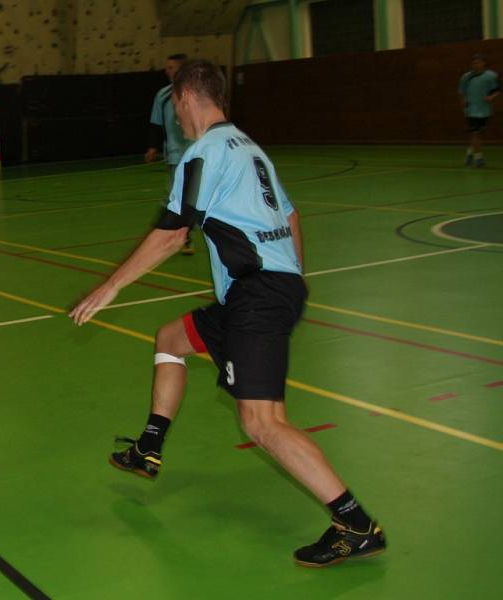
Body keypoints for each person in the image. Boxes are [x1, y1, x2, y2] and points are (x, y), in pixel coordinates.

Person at [70, 60, 385, 568]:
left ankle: (354, 523)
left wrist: (111, 286)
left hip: (256, 296)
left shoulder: (205, 152)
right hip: (262, 290)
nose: (174, 115)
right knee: (171, 338)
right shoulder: (249, 147)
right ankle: (149, 447)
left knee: (261, 422)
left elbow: (174, 234)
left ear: (187, 97)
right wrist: (292, 278)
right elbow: (290, 214)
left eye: (174, 104)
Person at [146, 53, 194, 255]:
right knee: (173, 197)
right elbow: (156, 124)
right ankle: (164, 234)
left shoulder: (194, 93)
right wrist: (153, 147)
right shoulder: (163, 95)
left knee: (191, 198)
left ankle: (181, 235)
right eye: (167, 67)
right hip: (175, 156)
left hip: (196, 154)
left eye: (171, 67)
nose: (168, 71)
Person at [458, 53, 500, 167]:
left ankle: (469, 154)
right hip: (471, 110)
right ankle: (479, 158)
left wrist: (491, 97)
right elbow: (461, 92)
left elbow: (497, 90)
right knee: (475, 133)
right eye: (474, 63)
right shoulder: (466, 77)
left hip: (485, 110)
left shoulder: (491, 76)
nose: (476, 65)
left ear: (483, 63)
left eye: (478, 62)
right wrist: (464, 103)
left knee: (478, 134)